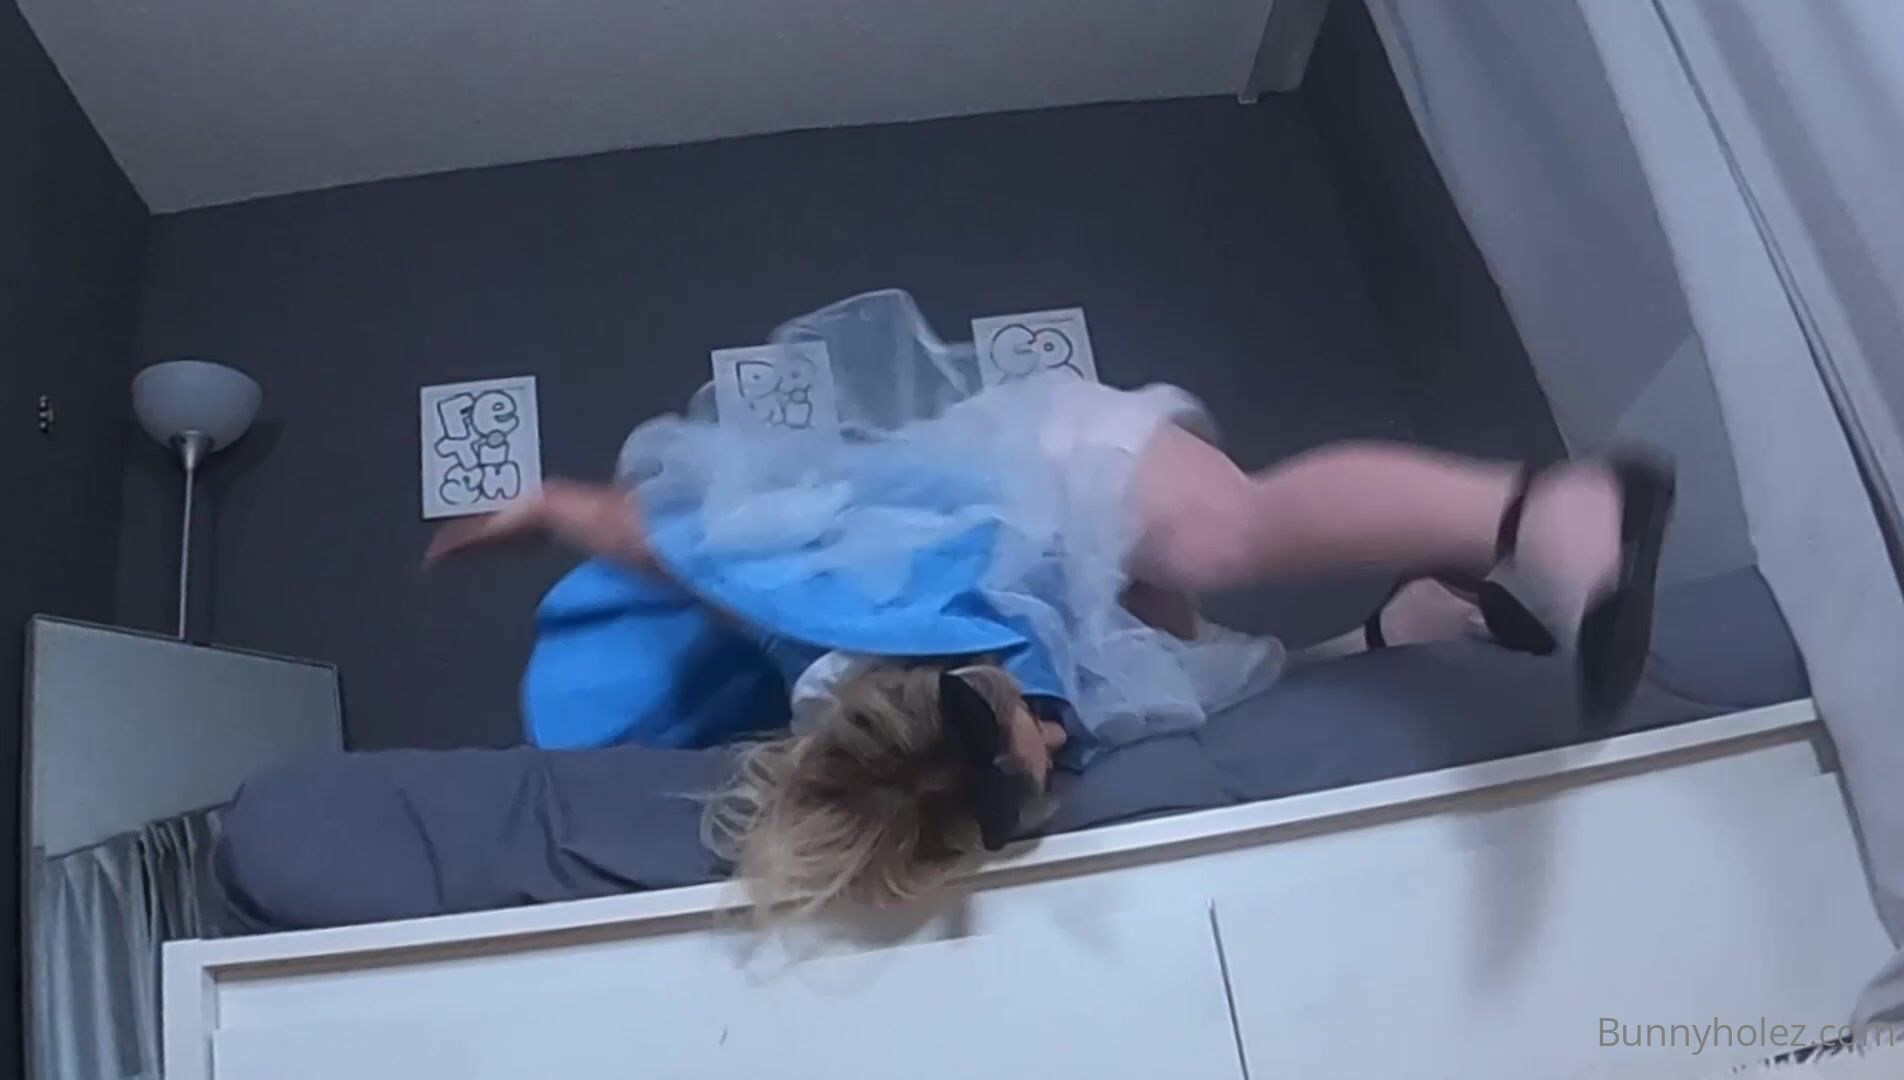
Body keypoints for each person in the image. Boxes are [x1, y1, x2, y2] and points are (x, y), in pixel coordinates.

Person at [427, 361, 1674, 921]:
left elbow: (654, 536)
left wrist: (542, 508)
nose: (1049, 752)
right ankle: (1412, 622)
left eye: (1018, 742)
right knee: (1202, 698)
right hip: (1078, 619)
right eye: (1030, 783)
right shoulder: (990, 752)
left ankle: (1550, 508)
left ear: (970, 698)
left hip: (1038, 481)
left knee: (1219, 539)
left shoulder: (818, 598)